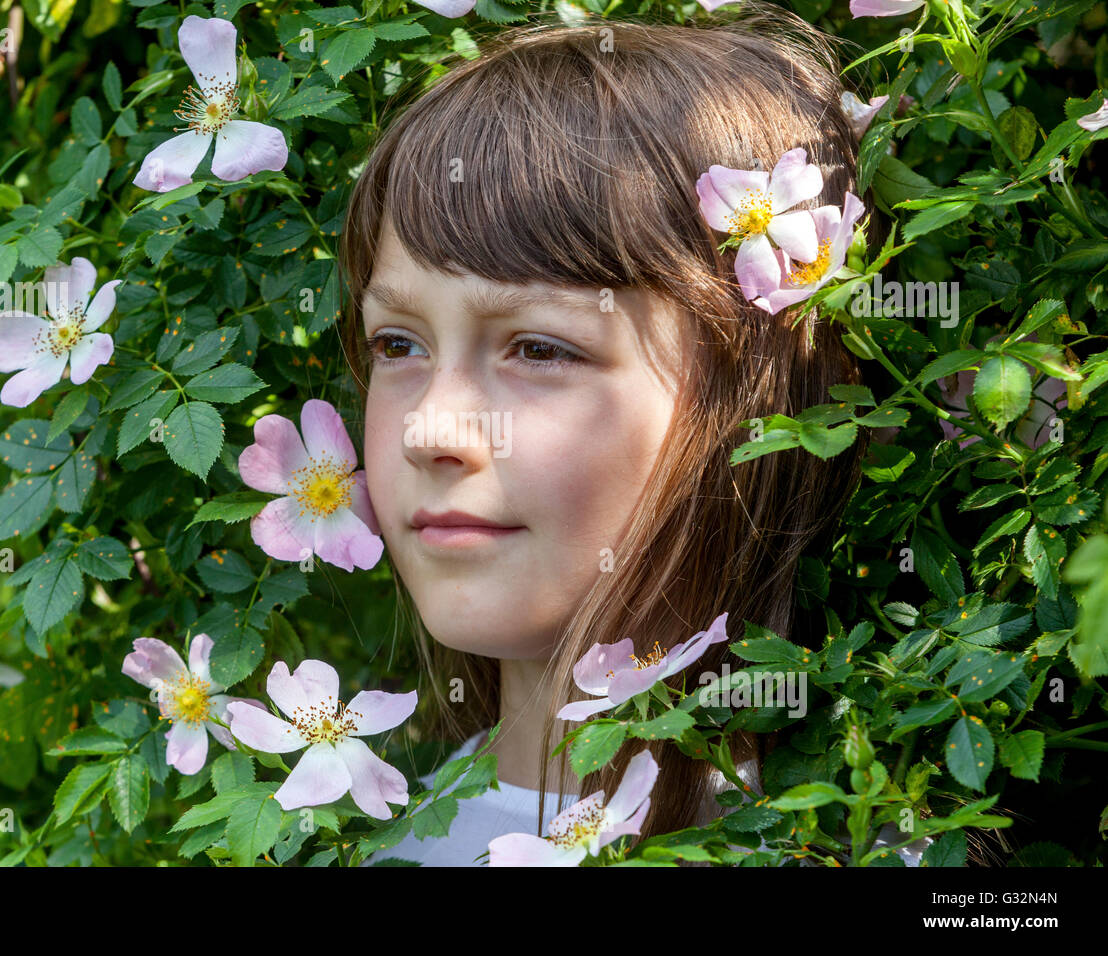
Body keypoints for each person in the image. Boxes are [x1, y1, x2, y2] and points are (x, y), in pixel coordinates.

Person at [334, 6, 922, 865]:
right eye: (398, 344)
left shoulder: (869, 852)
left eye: (538, 347)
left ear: (766, 390)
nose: (432, 430)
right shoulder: (386, 848)